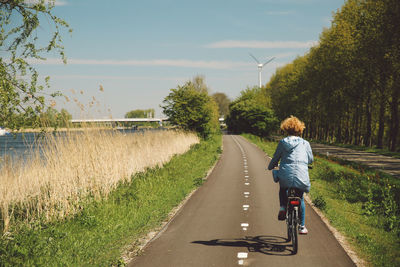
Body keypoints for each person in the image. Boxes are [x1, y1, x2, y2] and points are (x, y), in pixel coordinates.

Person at [268, 116, 313, 234]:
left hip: (285, 175)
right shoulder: (305, 143)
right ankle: (302, 227)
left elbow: (276, 157)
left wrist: (270, 166)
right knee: (301, 198)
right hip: (301, 175)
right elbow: (310, 159)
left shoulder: (283, 142)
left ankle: (283, 207)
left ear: (286, 129)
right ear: (300, 129)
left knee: (283, 188)